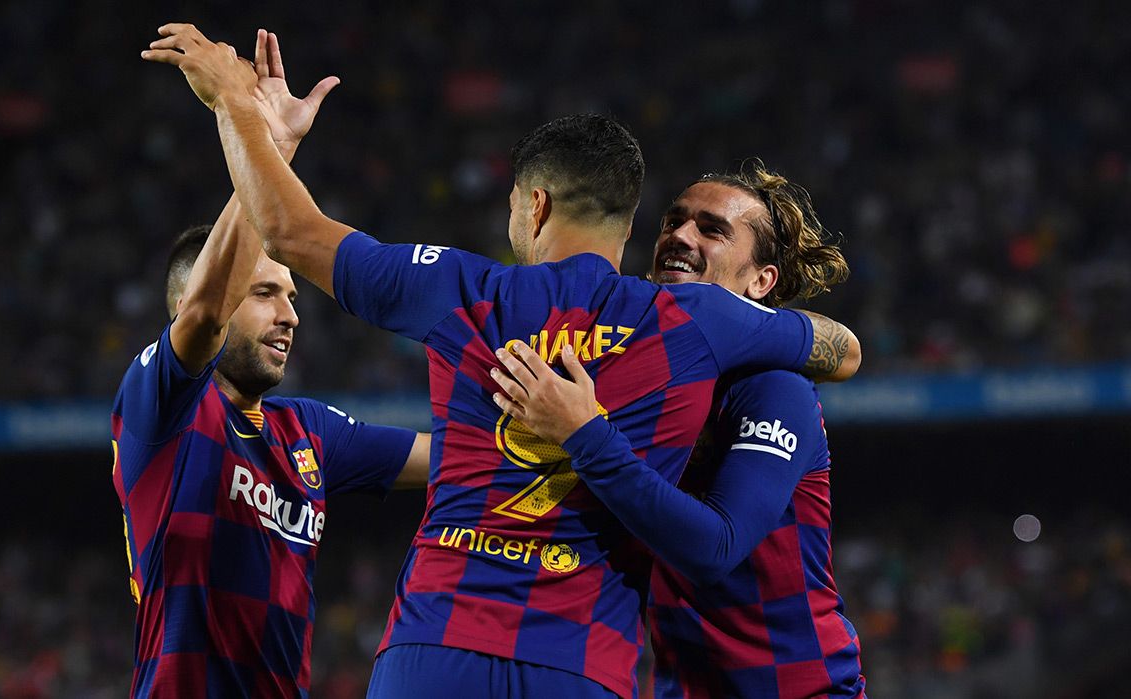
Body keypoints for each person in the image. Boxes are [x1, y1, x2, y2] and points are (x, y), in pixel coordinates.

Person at [141, 23, 861, 698]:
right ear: (632, 223)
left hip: (429, 651)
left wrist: (237, 104)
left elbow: (290, 229)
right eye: (674, 221)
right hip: (577, 664)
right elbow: (843, 348)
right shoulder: (695, 323)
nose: (683, 239)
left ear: (534, 207)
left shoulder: (460, 288)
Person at [113, 30, 429, 698]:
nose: (290, 312)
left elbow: (452, 457)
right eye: (264, 293)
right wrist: (258, 129)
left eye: (291, 294)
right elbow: (203, 316)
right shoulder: (161, 406)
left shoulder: (307, 432)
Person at [491, 164, 867, 697]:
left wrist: (586, 434)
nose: (679, 237)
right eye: (674, 221)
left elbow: (715, 547)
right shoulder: (638, 371)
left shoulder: (773, 388)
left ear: (760, 282)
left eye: (712, 229)